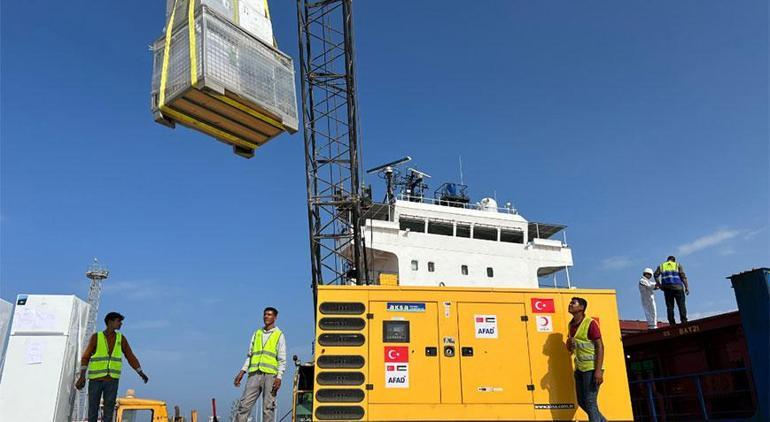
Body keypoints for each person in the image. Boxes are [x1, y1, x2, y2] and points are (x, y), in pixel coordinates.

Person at [75, 312, 149, 422]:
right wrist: (82, 376)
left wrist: (140, 372)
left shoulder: (121, 339)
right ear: (110, 322)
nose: (121, 324)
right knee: (92, 411)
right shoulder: (96, 337)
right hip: (95, 380)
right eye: (118, 321)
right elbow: (86, 357)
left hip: (112, 380)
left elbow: (130, 356)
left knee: (109, 412)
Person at [233, 307, 287, 422]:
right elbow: (250, 355)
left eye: (269, 314)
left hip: (270, 376)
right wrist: (242, 372)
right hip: (254, 374)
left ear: (275, 317)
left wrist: (279, 377)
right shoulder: (257, 333)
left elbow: (282, 359)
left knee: (268, 408)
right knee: (244, 405)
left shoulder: (279, 335)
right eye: (265, 314)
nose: (266, 316)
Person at [566, 297, 605, 422]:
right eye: (570, 303)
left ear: (581, 308)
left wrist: (598, 371)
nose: (570, 305)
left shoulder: (590, 323)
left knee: (590, 402)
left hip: (592, 368)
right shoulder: (571, 325)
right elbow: (570, 349)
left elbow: (600, 346)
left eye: (573, 303)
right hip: (579, 369)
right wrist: (569, 343)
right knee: (582, 402)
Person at [654, 256, 689, 325]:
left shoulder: (661, 266)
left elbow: (655, 275)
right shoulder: (677, 265)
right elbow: (683, 277)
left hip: (667, 288)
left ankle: (672, 322)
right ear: (674, 260)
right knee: (681, 305)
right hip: (678, 287)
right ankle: (684, 320)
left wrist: (659, 285)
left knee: (670, 306)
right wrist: (686, 287)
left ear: (667, 260)